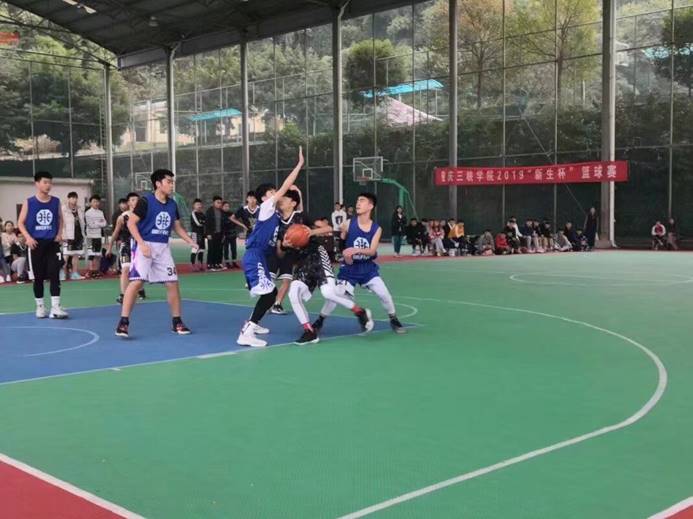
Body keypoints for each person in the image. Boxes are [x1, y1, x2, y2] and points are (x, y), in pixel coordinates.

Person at [115, 170, 198, 338]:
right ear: (158, 184)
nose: (172, 185)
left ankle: (177, 322)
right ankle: (123, 322)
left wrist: (190, 241)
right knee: (137, 282)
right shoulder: (145, 201)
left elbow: (176, 227)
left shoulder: (172, 204)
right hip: (145, 245)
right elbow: (131, 223)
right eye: (169, 182)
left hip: (162, 248)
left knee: (172, 283)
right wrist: (141, 243)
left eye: (172, 182)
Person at [237, 147, 305, 347]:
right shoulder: (266, 207)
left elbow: (298, 211)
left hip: (262, 257)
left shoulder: (275, 214)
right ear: (264, 198)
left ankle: (253, 323)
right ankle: (246, 333)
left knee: (270, 294)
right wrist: (299, 165)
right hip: (255, 255)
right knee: (269, 296)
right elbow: (286, 185)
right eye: (273, 192)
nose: (277, 194)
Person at [312, 192, 406, 335]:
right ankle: (320, 320)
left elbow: (372, 251)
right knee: (336, 296)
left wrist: (356, 250)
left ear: (370, 206)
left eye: (362, 200)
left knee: (385, 295)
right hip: (349, 269)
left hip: (368, 269)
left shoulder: (376, 229)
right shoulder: (348, 223)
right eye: (357, 200)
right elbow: (341, 241)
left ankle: (393, 319)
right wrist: (344, 253)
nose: (358, 203)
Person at [286, 223, 374, 345]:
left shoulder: (301, 217)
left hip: (318, 257)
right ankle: (309, 332)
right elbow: (280, 251)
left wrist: (312, 232)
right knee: (293, 293)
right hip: (302, 263)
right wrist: (285, 244)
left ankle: (359, 311)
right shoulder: (278, 222)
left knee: (328, 293)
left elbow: (329, 228)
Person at [17, 171, 68, 319]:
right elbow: (20, 222)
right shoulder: (29, 202)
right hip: (36, 244)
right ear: (37, 184)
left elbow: (60, 219)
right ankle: (40, 307)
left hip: (52, 243)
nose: (48, 185)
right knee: (38, 277)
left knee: (54, 274)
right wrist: (28, 237)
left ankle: (55, 307)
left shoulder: (56, 201)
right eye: (45, 182)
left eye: (50, 182)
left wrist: (59, 234)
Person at [269, 187, 309, 315]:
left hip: (292, 252)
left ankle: (277, 304)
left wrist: (299, 193)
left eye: (285, 199)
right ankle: (267, 301)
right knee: (271, 279)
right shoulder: (276, 217)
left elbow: (299, 209)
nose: (282, 201)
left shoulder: (297, 216)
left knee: (287, 279)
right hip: (278, 250)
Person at [108, 192, 146, 304]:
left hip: (138, 246)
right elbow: (115, 233)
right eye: (133, 200)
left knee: (138, 271)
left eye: (137, 200)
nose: (135, 202)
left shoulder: (143, 216)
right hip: (126, 246)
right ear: (128, 202)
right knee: (125, 269)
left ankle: (140, 289)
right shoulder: (122, 217)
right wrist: (109, 247)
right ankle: (123, 295)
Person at [61, 191, 85, 280]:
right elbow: (61, 223)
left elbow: (82, 222)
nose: (74, 200)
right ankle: (62, 273)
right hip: (68, 235)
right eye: (72, 198)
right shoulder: (63, 209)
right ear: (68, 199)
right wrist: (63, 235)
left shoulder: (79, 209)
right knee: (66, 255)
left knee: (76, 255)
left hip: (78, 234)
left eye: (75, 198)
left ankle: (74, 273)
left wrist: (83, 234)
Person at [85, 194, 107, 278]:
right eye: (94, 201)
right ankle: (91, 271)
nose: (96, 203)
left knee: (98, 254)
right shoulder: (88, 213)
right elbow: (90, 225)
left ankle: (96, 271)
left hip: (98, 236)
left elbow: (104, 223)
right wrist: (99, 223)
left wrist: (96, 223)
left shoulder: (101, 212)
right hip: (90, 236)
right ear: (90, 203)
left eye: (97, 201)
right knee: (91, 254)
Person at [205, 196, 224, 271]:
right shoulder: (209, 211)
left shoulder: (222, 211)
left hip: (220, 234)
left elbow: (223, 223)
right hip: (211, 234)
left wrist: (223, 234)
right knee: (211, 249)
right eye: (218, 202)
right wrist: (208, 234)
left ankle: (217, 263)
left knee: (218, 249)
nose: (219, 204)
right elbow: (207, 224)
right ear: (214, 203)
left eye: (220, 203)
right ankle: (209, 264)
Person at [221, 201, 239, 269]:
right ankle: (227, 263)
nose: (227, 207)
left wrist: (233, 227)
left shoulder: (231, 214)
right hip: (225, 235)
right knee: (226, 249)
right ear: (222, 207)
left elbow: (235, 222)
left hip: (232, 234)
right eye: (225, 206)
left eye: (228, 206)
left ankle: (234, 262)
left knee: (234, 249)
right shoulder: (221, 214)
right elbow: (222, 224)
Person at [190, 198, 206, 271]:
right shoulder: (193, 214)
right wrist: (203, 222)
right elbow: (198, 223)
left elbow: (206, 222)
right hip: (195, 234)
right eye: (197, 204)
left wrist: (204, 222)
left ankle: (200, 265)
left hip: (202, 234)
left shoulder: (202, 214)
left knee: (201, 249)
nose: (199, 206)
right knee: (195, 248)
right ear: (194, 206)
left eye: (200, 204)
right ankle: (192, 265)